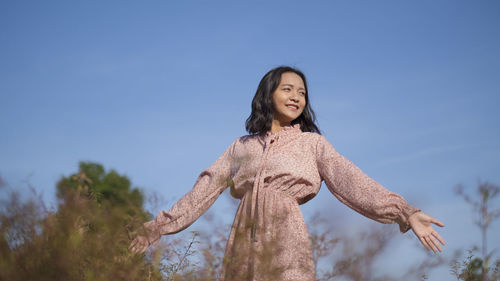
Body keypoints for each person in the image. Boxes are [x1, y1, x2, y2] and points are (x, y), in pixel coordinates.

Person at [129, 66, 446, 281]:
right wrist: (157, 227)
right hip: (244, 232)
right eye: (288, 89)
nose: (297, 97)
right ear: (268, 95)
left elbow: (352, 180)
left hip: (287, 233)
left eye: (303, 93)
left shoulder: (312, 144)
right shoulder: (242, 146)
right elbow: (205, 189)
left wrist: (405, 212)